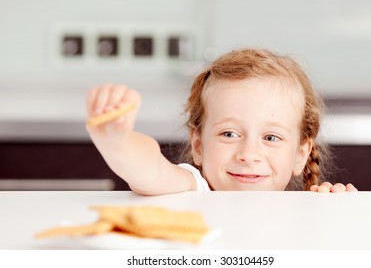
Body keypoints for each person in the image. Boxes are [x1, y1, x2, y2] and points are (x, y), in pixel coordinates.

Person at [86, 48, 357, 195]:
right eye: (229, 134)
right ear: (198, 145)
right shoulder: (195, 189)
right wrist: (117, 140)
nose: (249, 154)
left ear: (300, 154)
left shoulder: (303, 207)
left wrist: (335, 213)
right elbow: (150, 171)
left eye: (271, 138)